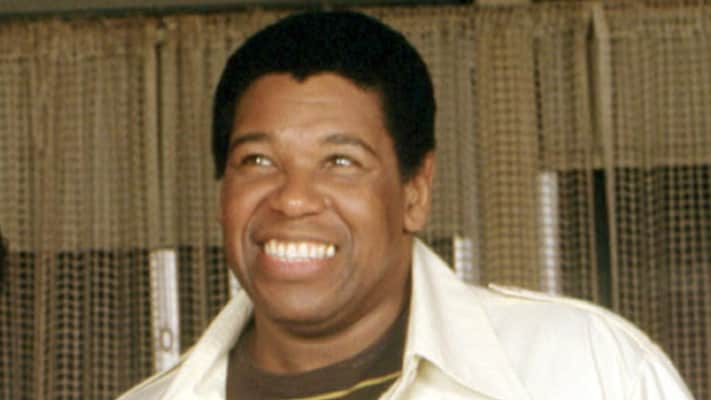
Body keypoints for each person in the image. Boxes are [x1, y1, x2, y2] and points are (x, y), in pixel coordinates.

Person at [118, 11, 693, 400]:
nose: (292, 198)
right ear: (222, 194)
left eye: (340, 161)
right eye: (258, 160)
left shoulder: (582, 370)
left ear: (414, 193)